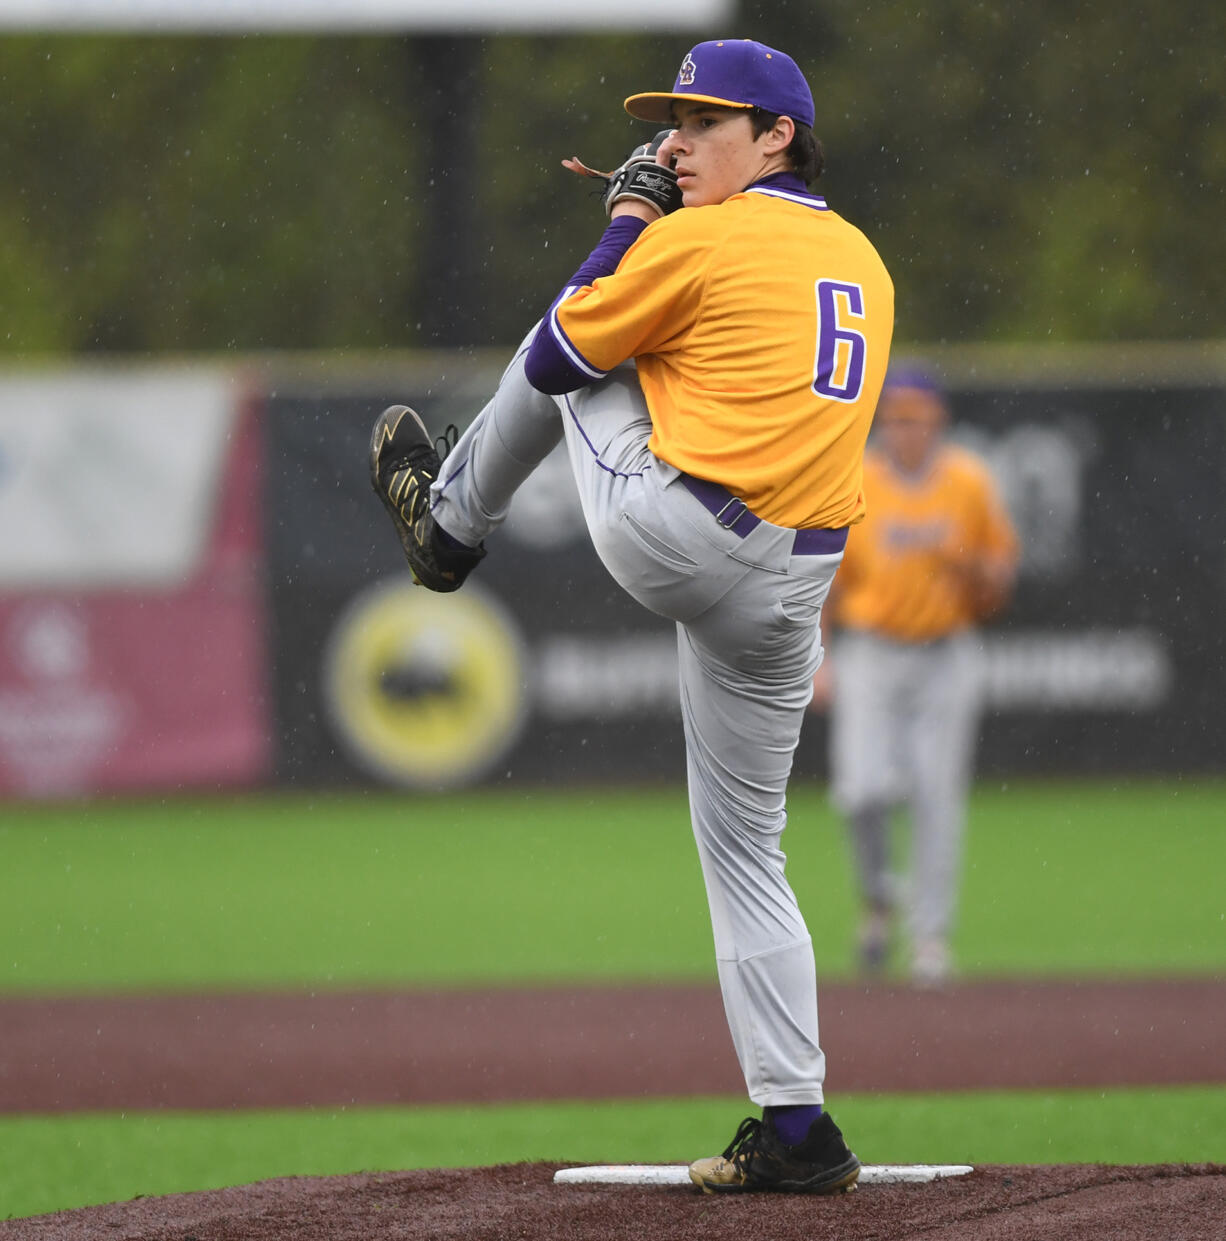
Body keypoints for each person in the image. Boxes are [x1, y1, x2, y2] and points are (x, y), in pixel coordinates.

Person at [370, 39, 893, 1194]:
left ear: (776, 138)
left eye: (705, 122)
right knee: (748, 848)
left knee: (563, 338)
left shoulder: (701, 236)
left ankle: (448, 524)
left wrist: (624, 214)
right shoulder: (858, 254)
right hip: (793, 582)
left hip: (686, 537)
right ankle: (797, 1126)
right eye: (672, 122)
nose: (675, 141)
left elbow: (570, 345)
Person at [816, 366, 1020, 985]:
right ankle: (881, 897)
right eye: (897, 418)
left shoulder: (968, 481)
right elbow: (823, 578)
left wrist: (971, 570)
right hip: (872, 651)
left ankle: (930, 938)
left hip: (945, 652)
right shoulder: (856, 481)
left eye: (918, 418)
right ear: (883, 424)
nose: (907, 429)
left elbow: (1000, 581)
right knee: (860, 790)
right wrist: (818, 660)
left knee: (937, 797)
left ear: (939, 422)